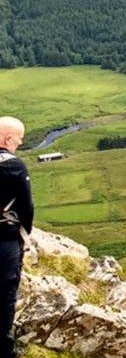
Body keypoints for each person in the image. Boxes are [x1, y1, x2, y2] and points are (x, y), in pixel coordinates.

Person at [0, 117, 31, 358]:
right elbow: (26, 206)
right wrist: (25, 233)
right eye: (18, 139)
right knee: (5, 294)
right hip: (4, 239)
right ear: (8, 139)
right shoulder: (14, 166)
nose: (19, 144)